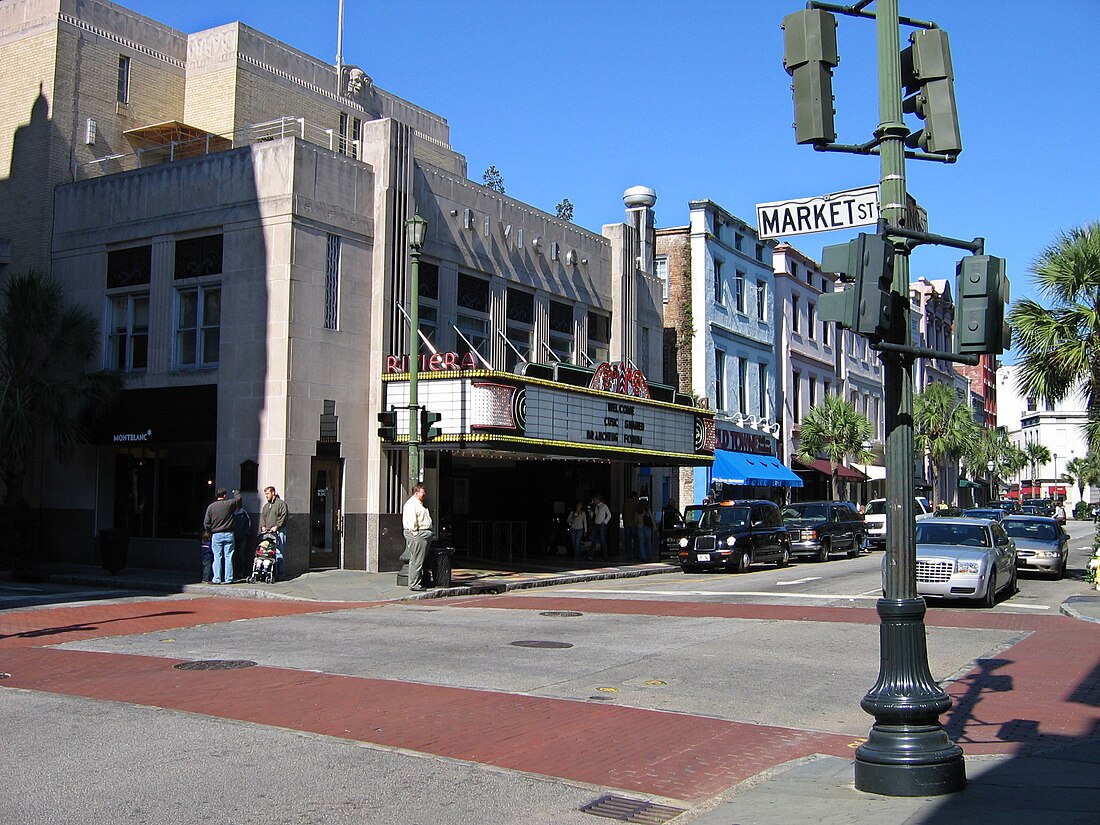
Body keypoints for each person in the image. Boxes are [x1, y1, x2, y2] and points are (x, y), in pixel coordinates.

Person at [203, 488, 241, 584]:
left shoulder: (211, 507)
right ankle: (228, 578)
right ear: (224, 495)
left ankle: (217, 578)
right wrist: (235, 492)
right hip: (229, 533)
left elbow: (206, 522)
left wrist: (208, 530)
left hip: (216, 534)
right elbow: (238, 498)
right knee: (229, 556)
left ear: (217, 495)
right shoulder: (229, 504)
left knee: (217, 557)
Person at [402, 483, 434, 591]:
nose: (424, 494)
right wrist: (415, 534)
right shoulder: (412, 504)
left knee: (419, 559)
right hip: (418, 535)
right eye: (422, 492)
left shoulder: (419, 504)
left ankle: (419, 581)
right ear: (416, 493)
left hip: (421, 535)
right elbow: (412, 522)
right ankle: (414, 584)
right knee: (417, 560)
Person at [260, 485, 290, 577]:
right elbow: (263, 517)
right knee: (267, 551)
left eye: (268, 494)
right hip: (268, 532)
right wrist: (262, 526)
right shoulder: (266, 506)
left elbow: (284, 516)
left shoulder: (281, 504)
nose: (266, 496)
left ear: (273, 493)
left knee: (279, 551)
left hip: (279, 531)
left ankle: (281, 573)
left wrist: (277, 526)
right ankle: (267, 571)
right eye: (265, 494)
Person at [590, 493, 611, 561]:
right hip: (596, 524)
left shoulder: (604, 506)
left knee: (603, 540)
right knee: (594, 540)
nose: (594, 501)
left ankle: (605, 556)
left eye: (595, 500)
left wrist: (604, 522)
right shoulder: (596, 506)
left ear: (598, 499)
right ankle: (591, 555)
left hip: (602, 525)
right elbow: (594, 515)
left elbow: (609, 515)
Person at [623, 490, 640, 561]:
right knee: (636, 540)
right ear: (634, 496)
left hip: (626, 523)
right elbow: (635, 513)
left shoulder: (625, 503)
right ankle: (635, 554)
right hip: (633, 524)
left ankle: (629, 555)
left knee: (628, 541)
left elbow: (624, 514)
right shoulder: (635, 503)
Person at [636, 496, 654, 562]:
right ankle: (650, 556)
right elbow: (651, 517)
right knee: (649, 542)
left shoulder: (638, 510)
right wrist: (654, 526)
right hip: (647, 527)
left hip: (640, 527)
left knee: (641, 543)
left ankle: (643, 557)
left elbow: (635, 520)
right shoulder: (647, 509)